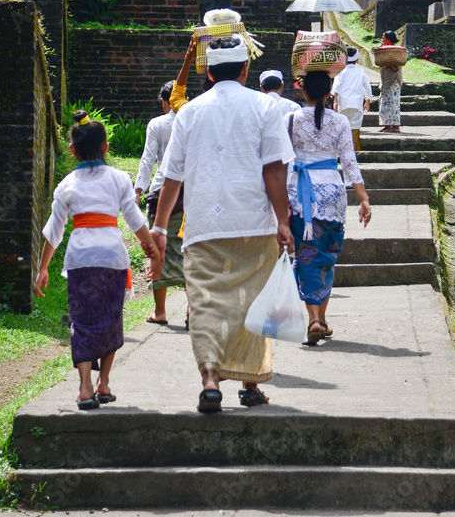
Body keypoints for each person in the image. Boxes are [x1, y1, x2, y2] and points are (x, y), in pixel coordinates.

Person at [152, 35, 294, 414]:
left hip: (202, 225)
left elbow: (172, 177)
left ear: (209, 72)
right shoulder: (266, 107)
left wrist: (160, 228)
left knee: (204, 303)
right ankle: (250, 385)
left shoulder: (189, 112)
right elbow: (275, 169)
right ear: (246, 69)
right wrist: (283, 221)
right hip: (254, 222)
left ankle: (211, 378)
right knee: (254, 301)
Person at [35, 111, 161, 410]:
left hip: (80, 259)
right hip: (112, 258)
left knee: (82, 320)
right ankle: (103, 383)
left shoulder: (66, 184)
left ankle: (84, 387)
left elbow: (54, 230)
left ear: (72, 150)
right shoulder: (119, 179)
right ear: (105, 148)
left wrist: (42, 268)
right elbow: (134, 220)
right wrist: (153, 248)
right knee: (110, 319)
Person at [287, 70, 371, 345]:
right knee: (327, 254)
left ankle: (314, 318)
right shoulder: (340, 121)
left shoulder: (291, 119)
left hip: (300, 194)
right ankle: (319, 319)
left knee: (306, 253)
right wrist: (363, 198)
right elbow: (349, 161)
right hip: (332, 195)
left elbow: (281, 159)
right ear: (328, 93)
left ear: (303, 91)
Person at [135, 40, 196, 325]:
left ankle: (160, 312)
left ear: (164, 101)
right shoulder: (195, 116)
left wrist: (138, 189)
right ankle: (189, 309)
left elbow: (149, 159)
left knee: (157, 250)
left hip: (161, 191)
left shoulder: (158, 124)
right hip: (190, 193)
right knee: (189, 251)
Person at [331, 46, 372, 151]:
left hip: (343, 104)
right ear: (357, 60)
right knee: (355, 129)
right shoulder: (361, 72)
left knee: (343, 129)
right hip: (357, 104)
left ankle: (343, 150)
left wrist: (335, 101)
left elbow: (336, 87)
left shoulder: (341, 72)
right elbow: (367, 87)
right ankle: (354, 151)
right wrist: (368, 101)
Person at [378, 30, 403, 133]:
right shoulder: (385, 48)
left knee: (393, 103)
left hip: (393, 80)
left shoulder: (396, 50)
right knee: (385, 102)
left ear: (388, 39)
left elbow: (395, 68)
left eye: (383, 37)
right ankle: (387, 125)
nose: (382, 39)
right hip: (386, 80)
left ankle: (394, 126)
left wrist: (387, 59)